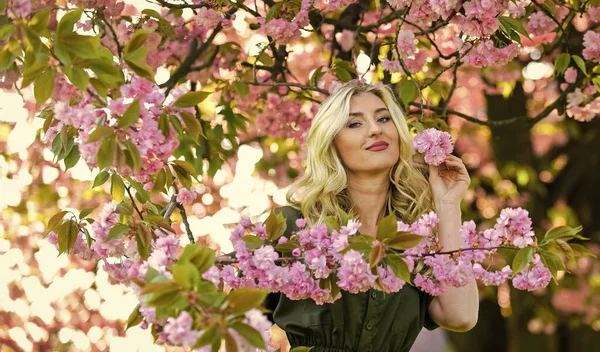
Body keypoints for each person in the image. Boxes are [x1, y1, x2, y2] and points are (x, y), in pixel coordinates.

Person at [231, 80, 479, 352]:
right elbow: (233, 323)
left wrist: (448, 204)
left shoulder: (418, 239)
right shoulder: (291, 225)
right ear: (332, 143)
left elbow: (461, 316)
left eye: (384, 118)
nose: (375, 130)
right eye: (355, 124)